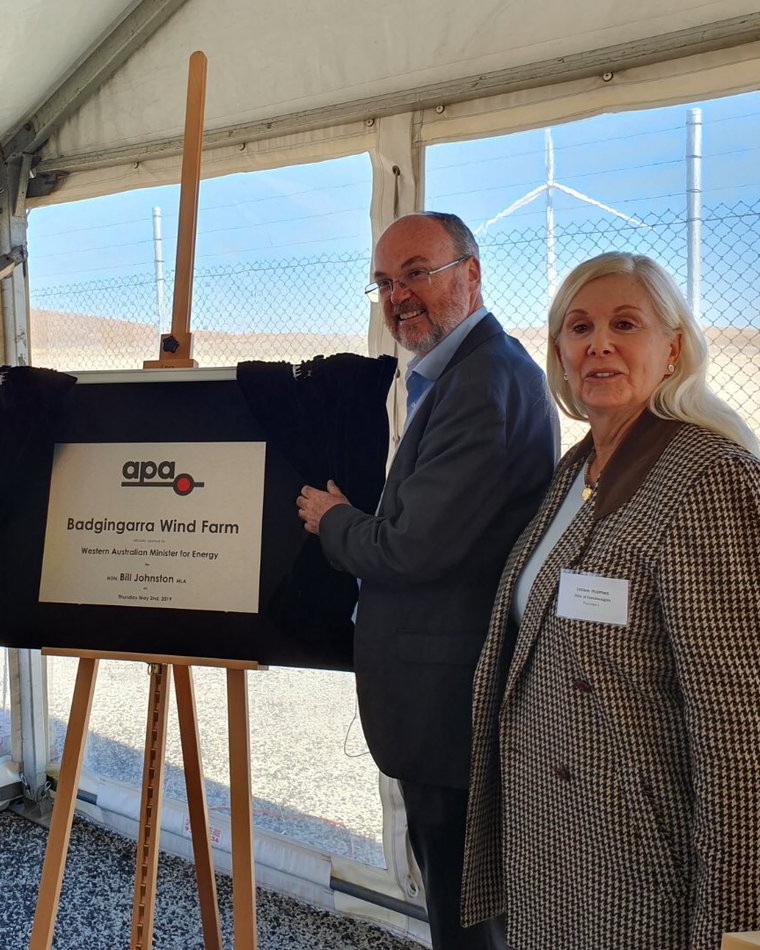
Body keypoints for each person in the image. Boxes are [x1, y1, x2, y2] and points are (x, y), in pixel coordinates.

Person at [462, 252, 760, 950]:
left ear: (674, 348)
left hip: (642, 876)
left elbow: (740, 734)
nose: (599, 343)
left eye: (626, 323)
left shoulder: (708, 477)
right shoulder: (577, 470)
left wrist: (737, 931)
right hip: (557, 853)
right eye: (580, 327)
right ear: (560, 357)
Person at [296, 212, 557, 950]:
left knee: (466, 907)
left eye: (417, 272)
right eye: (384, 281)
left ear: (470, 275)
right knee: (460, 896)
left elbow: (411, 548)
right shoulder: (464, 375)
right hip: (447, 698)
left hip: (451, 705)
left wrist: (334, 518)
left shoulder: (484, 381)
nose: (397, 294)